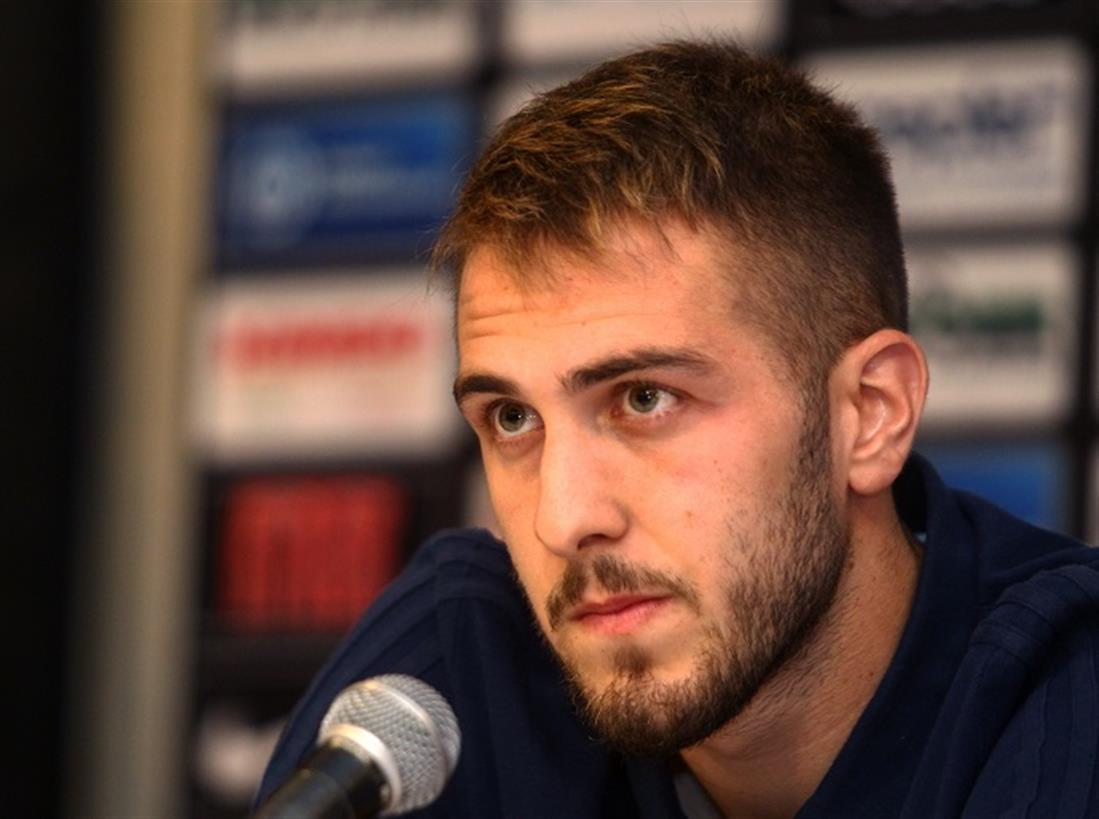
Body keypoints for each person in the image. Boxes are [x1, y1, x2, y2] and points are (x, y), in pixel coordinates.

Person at [257, 41, 1099, 818]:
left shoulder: (1068, 705)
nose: (563, 518)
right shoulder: (458, 679)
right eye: (512, 419)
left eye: (644, 399)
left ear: (869, 414)